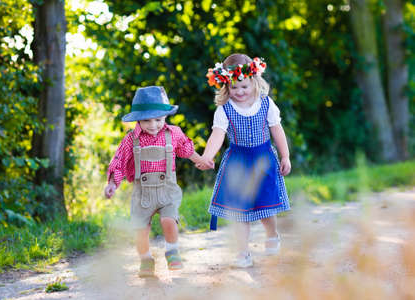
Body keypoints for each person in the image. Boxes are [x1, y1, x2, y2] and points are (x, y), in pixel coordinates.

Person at [197, 53, 291, 268]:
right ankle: (243, 252)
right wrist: (207, 156)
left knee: (266, 204)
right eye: (233, 88)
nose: (239, 92)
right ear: (225, 87)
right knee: (240, 211)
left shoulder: (266, 104)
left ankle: (272, 235)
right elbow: (217, 134)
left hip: (263, 159)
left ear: (255, 82)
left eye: (244, 87)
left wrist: (285, 156)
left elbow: (277, 129)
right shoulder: (224, 109)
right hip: (237, 162)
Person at [104, 86, 203, 277]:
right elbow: (119, 162)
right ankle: (145, 260)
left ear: (165, 116)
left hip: (167, 189)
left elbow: (185, 149)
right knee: (141, 229)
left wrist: (201, 160)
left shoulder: (173, 133)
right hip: (143, 193)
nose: (153, 124)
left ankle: (172, 251)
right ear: (137, 119)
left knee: (168, 220)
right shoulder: (130, 140)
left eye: (158, 119)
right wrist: (112, 185)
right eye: (147, 120)